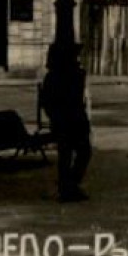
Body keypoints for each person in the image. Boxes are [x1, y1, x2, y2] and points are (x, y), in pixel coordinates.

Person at [39, 43, 92, 203]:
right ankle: (69, 186)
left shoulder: (55, 76)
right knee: (80, 153)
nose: (77, 58)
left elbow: (46, 102)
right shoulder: (73, 75)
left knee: (68, 154)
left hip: (66, 121)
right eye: (75, 55)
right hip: (72, 121)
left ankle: (68, 186)